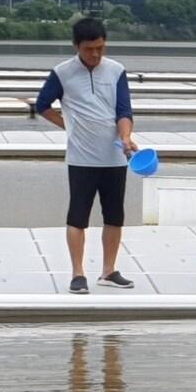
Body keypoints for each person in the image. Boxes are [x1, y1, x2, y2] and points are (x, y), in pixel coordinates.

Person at [35, 17, 137, 294]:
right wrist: (68, 125)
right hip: (81, 157)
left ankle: (109, 270)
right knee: (78, 215)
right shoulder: (62, 72)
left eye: (100, 48)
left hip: (115, 156)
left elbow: (124, 111)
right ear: (76, 46)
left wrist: (126, 137)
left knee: (115, 215)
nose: (95, 54)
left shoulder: (116, 71)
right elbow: (42, 104)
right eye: (89, 49)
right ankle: (78, 273)